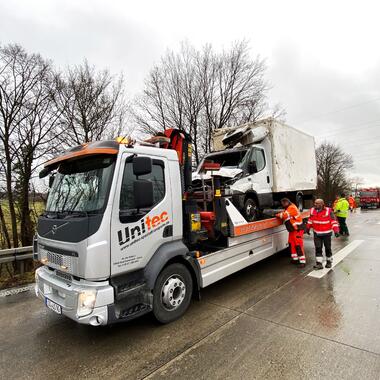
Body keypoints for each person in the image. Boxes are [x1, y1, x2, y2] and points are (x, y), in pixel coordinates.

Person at [307, 199, 340, 269]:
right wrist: (307, 228)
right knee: (318, 248)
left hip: (326, 234)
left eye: (317, 203)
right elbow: (310, 220)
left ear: (322, 204)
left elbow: (333, 221)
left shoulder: (329, 211)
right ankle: (319, 264)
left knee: (328, 248)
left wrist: (336, 231)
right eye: (315, 203)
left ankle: (329, 262)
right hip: (316, 233)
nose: (315, 204)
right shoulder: (312, 210)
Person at [276, 198, 306, 268]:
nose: (283, 204)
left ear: (287, 202)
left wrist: (277, 215)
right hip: (293, 230)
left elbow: (284, 215)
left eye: (284, 203)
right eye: (282, 203)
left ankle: (302, 261)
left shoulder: (291, 207)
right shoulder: (288, 208)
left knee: (298, 245)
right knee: (292, 244)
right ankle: (295, 259)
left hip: (297, 229)